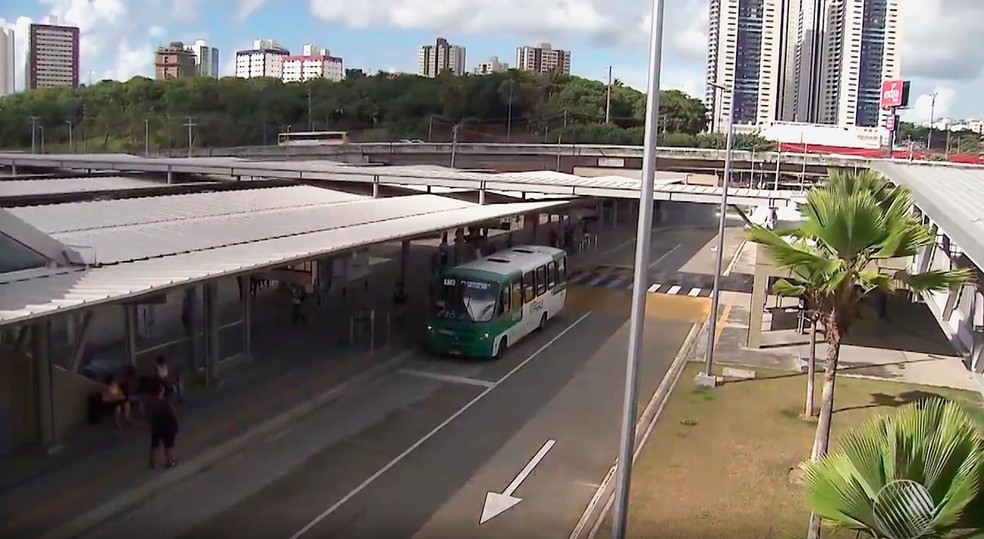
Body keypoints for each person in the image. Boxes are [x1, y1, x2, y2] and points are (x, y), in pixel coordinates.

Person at [145, 382, 178, 469]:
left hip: (156, 426)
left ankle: (152, 463)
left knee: (154, 445)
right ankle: (170, 461)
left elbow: (147, 416)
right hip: (167, 426)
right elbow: (172, 413)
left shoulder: (149, 403)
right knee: (168, 445)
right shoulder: (166, 402)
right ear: (161, 391)